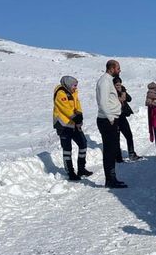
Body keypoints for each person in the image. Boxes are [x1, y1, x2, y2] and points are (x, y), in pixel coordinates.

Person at [53, 75, 93, 181]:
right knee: (67, 149)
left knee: (83, 143)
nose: (76, 87)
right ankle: (70, 172)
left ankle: (81, 169)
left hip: (73, 124)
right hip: (63, 125)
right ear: (69, 84)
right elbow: (65, 108)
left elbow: (77, 104)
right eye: (74, 85)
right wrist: (76, 117)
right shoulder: (60, 93)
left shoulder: (74, 92)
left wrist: (79, 114)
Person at [95, 60, 127, 188]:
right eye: (118, 68)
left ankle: (112, 178)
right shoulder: (104, 81)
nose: (119, 70)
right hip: (107, 120)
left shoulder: (109, 81)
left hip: (112, 119)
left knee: (112, 150)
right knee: (109, 151)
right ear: (112, 68)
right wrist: (110, 118)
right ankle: (109, 179)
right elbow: (102, 102)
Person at [113, 76, 140, 162]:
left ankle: (131, 153)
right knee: (116, 137)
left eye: (119, 85)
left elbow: (129, 99)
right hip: (115, 117)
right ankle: (118, 157)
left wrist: (123, 92)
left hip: (122, 116)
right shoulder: (111, 93)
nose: (118, 86)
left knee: (129, 135)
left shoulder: (122, 90)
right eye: (116, 85)